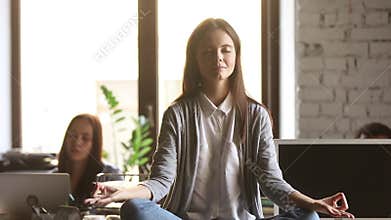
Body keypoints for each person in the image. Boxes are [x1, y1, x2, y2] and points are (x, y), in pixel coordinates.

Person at [86, 18, 354, 219]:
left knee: (308, 216)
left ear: (236, 55)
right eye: (208, 52)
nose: (218, 57)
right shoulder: (178, 115)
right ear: (195, 61)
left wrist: (314, 202)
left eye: (226, 49)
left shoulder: (255, 115)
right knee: (135, 209)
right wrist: (123, 193)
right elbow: (161, 182)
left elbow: (271, 182)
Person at [57, 113, 122, 207]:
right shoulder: (54, 176)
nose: (77, 142)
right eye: (73, 135)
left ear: (95, 143)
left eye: (85, 138)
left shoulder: (110, 175)